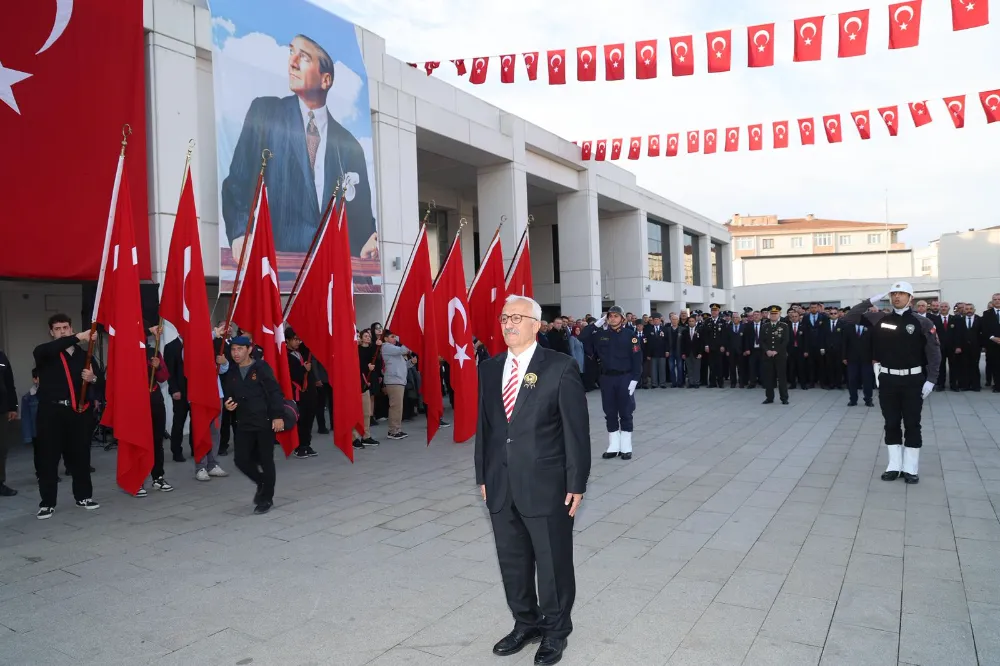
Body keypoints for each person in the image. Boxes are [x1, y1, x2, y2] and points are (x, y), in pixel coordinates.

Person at [475, 295, 590, 666]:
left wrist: (577, 482)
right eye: (504, 317)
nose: (509, 324)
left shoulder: (559, 367)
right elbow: (486, 429)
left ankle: (556, 632)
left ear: (536, 325)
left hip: (547, 483)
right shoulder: (490, 369)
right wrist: (483, 474)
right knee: (512, 560)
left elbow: (576, 431)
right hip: (500, 481)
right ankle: (526, 622)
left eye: (518, 318)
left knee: (553, 562)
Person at [222, 35, 377, 264]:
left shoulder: (349, 146)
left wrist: (369, 240)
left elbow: (362, 218)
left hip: (330, 275)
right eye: (291, 51)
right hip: (279, 271)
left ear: (326, 80)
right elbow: (237, 184)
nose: (292, 62)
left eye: (303, 57)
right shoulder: (265, 114)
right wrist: (240, 232)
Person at [841, 281, 940, 483]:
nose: (897, 297)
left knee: (912, 424)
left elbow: (934, 353)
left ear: (910, 298)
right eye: (894, 294)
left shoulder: (922, 322)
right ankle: (894, 465)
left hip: (914, 380)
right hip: (888, 379)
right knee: (891, 423)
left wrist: (931, 380)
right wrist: (871, 300)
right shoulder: (879, 318)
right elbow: (849, 317)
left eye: (902, 294)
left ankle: (910, 468)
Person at [32, 314, 102, 519]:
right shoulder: (45, 352)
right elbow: (52, 348)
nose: (62, 331)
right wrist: (79, 336)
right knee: (48, 458)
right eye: (58, 328)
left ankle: (83, 496)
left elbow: (101, 381)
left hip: (78, 413)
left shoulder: (84, 354)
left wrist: (93, 378)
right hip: (51, 413)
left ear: (71, 328)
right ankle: (47, 503)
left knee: (80, 456)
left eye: (65, 327)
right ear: (51, 332)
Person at [221, 336, 287, 514]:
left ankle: (266, 498)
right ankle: (262, 482)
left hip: (264, 421)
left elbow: (274, 392)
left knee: (266, 460)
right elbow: (229, 394)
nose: (236, 353)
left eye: (240, 349)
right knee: (241, 459)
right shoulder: (232, 372)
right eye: (233, 349)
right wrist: (228, 404)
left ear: (249, 350)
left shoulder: (261, 368)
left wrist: (277, 416)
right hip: (244, 422)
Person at [580, 305, 642, 461]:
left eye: (616, 316)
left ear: (622, 318)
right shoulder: (601, 334)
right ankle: (614, 446)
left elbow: (637, 359)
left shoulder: (630, 335)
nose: (612, 318)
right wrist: (596, 323)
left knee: (626, 412)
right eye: (610, 316)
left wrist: (635, 379)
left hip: (625, 377)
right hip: (607, 379)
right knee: (610, 412)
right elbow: (582, 337)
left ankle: (626, 447)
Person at [138, 322, 174, 496]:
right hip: (136, 402)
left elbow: (163, 377)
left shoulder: (153, 352)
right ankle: (137, 480)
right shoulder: (127, 353)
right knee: (137, 442)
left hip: (154, 399)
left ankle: (157, 477)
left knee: (157, 441)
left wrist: (158, 366)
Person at [285, 329, 319, 459]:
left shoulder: (300, 352)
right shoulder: (285, 355)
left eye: (299, 339)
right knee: (300, 419)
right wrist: (303, 369)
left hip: (308, 390)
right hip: (296, 391)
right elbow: (290, 373)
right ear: (287, 340)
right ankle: (299, 446)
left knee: (309, 417)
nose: (298, 342)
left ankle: (306, 444)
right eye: (295, 339)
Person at [760, 306, 790, 405]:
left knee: (782, 377)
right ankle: (769, 397)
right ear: (769, 315)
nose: (773, 315)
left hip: (780, 355)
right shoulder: (765, 326)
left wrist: (776, 351)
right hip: (768, 356)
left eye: (775, 314)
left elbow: (785, 341)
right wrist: (767, 350)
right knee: (768, 377)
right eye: (772, 314)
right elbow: (762, 341)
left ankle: (784, 398)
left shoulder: (784, 326)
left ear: (779, 314)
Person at [843, 318, 875, 407]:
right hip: (852, 359)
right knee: (852, 380)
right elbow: (844, 343)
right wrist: (844, 357)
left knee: (867, 380)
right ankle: (853, 399)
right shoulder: (848, 327)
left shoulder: (870, 327)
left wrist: (874, 358)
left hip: (867, 359)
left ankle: (868, 399)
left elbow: (874, 343)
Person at [0, 348, 17, 496]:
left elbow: (9, 383)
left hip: (2, 410)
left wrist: (13, 407)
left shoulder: (2, 357)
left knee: (2, 448)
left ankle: (0, 483)